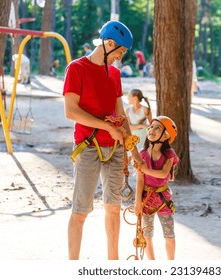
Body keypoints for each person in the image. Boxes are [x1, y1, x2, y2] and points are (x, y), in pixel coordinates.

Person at [63, 20, 141, 260]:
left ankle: (112, 264)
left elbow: (121, 113)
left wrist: (133, 150)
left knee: (113, 208)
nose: (119, 58)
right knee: (80, 211)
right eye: (118, 52)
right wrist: (106, 127)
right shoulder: (76, 69)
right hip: (87, 148)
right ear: (108, 44)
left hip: (116, 149)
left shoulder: (115, 74)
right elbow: (71, 111)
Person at [134, 116, 179, 260]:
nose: (152, 130)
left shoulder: (168, 154)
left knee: (169, 235)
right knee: (146, 235)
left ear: (166, 135)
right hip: (146, 200)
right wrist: (137, 203)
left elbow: (164, 173)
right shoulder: (142, 154)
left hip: (163, 199)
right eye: (151, 127)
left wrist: (143, 169)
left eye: (157, 128)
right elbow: (140, 180)